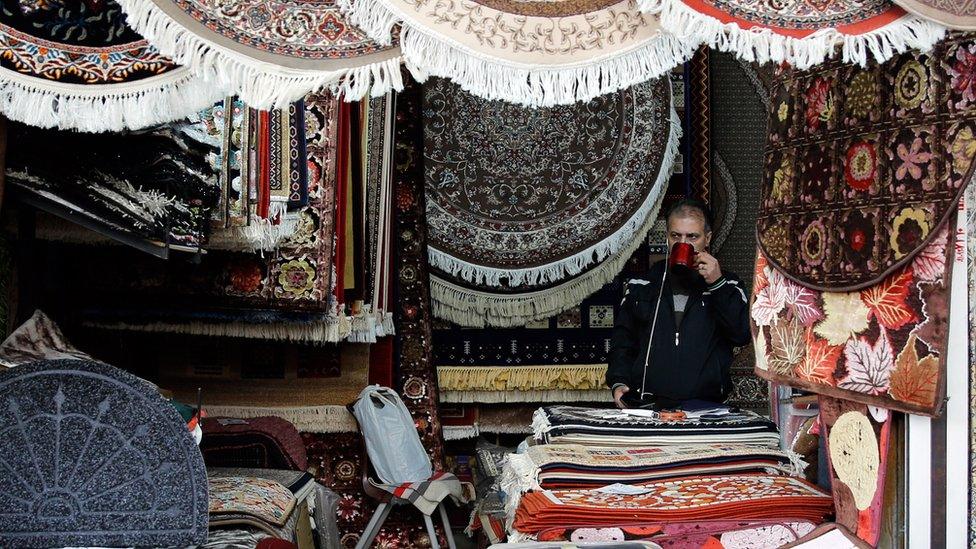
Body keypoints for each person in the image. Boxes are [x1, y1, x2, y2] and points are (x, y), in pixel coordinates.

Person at [607, 199, 751, 409]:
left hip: (707, 406)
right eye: (676, 236)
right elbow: (623, 341)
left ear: (707, 239)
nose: (683, 243)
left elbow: (742, 334)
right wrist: (618, 382)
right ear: (667, 237)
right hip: (648, 405)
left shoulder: (729, 284)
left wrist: (717, 283)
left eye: (692, 236)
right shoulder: (642, 284)